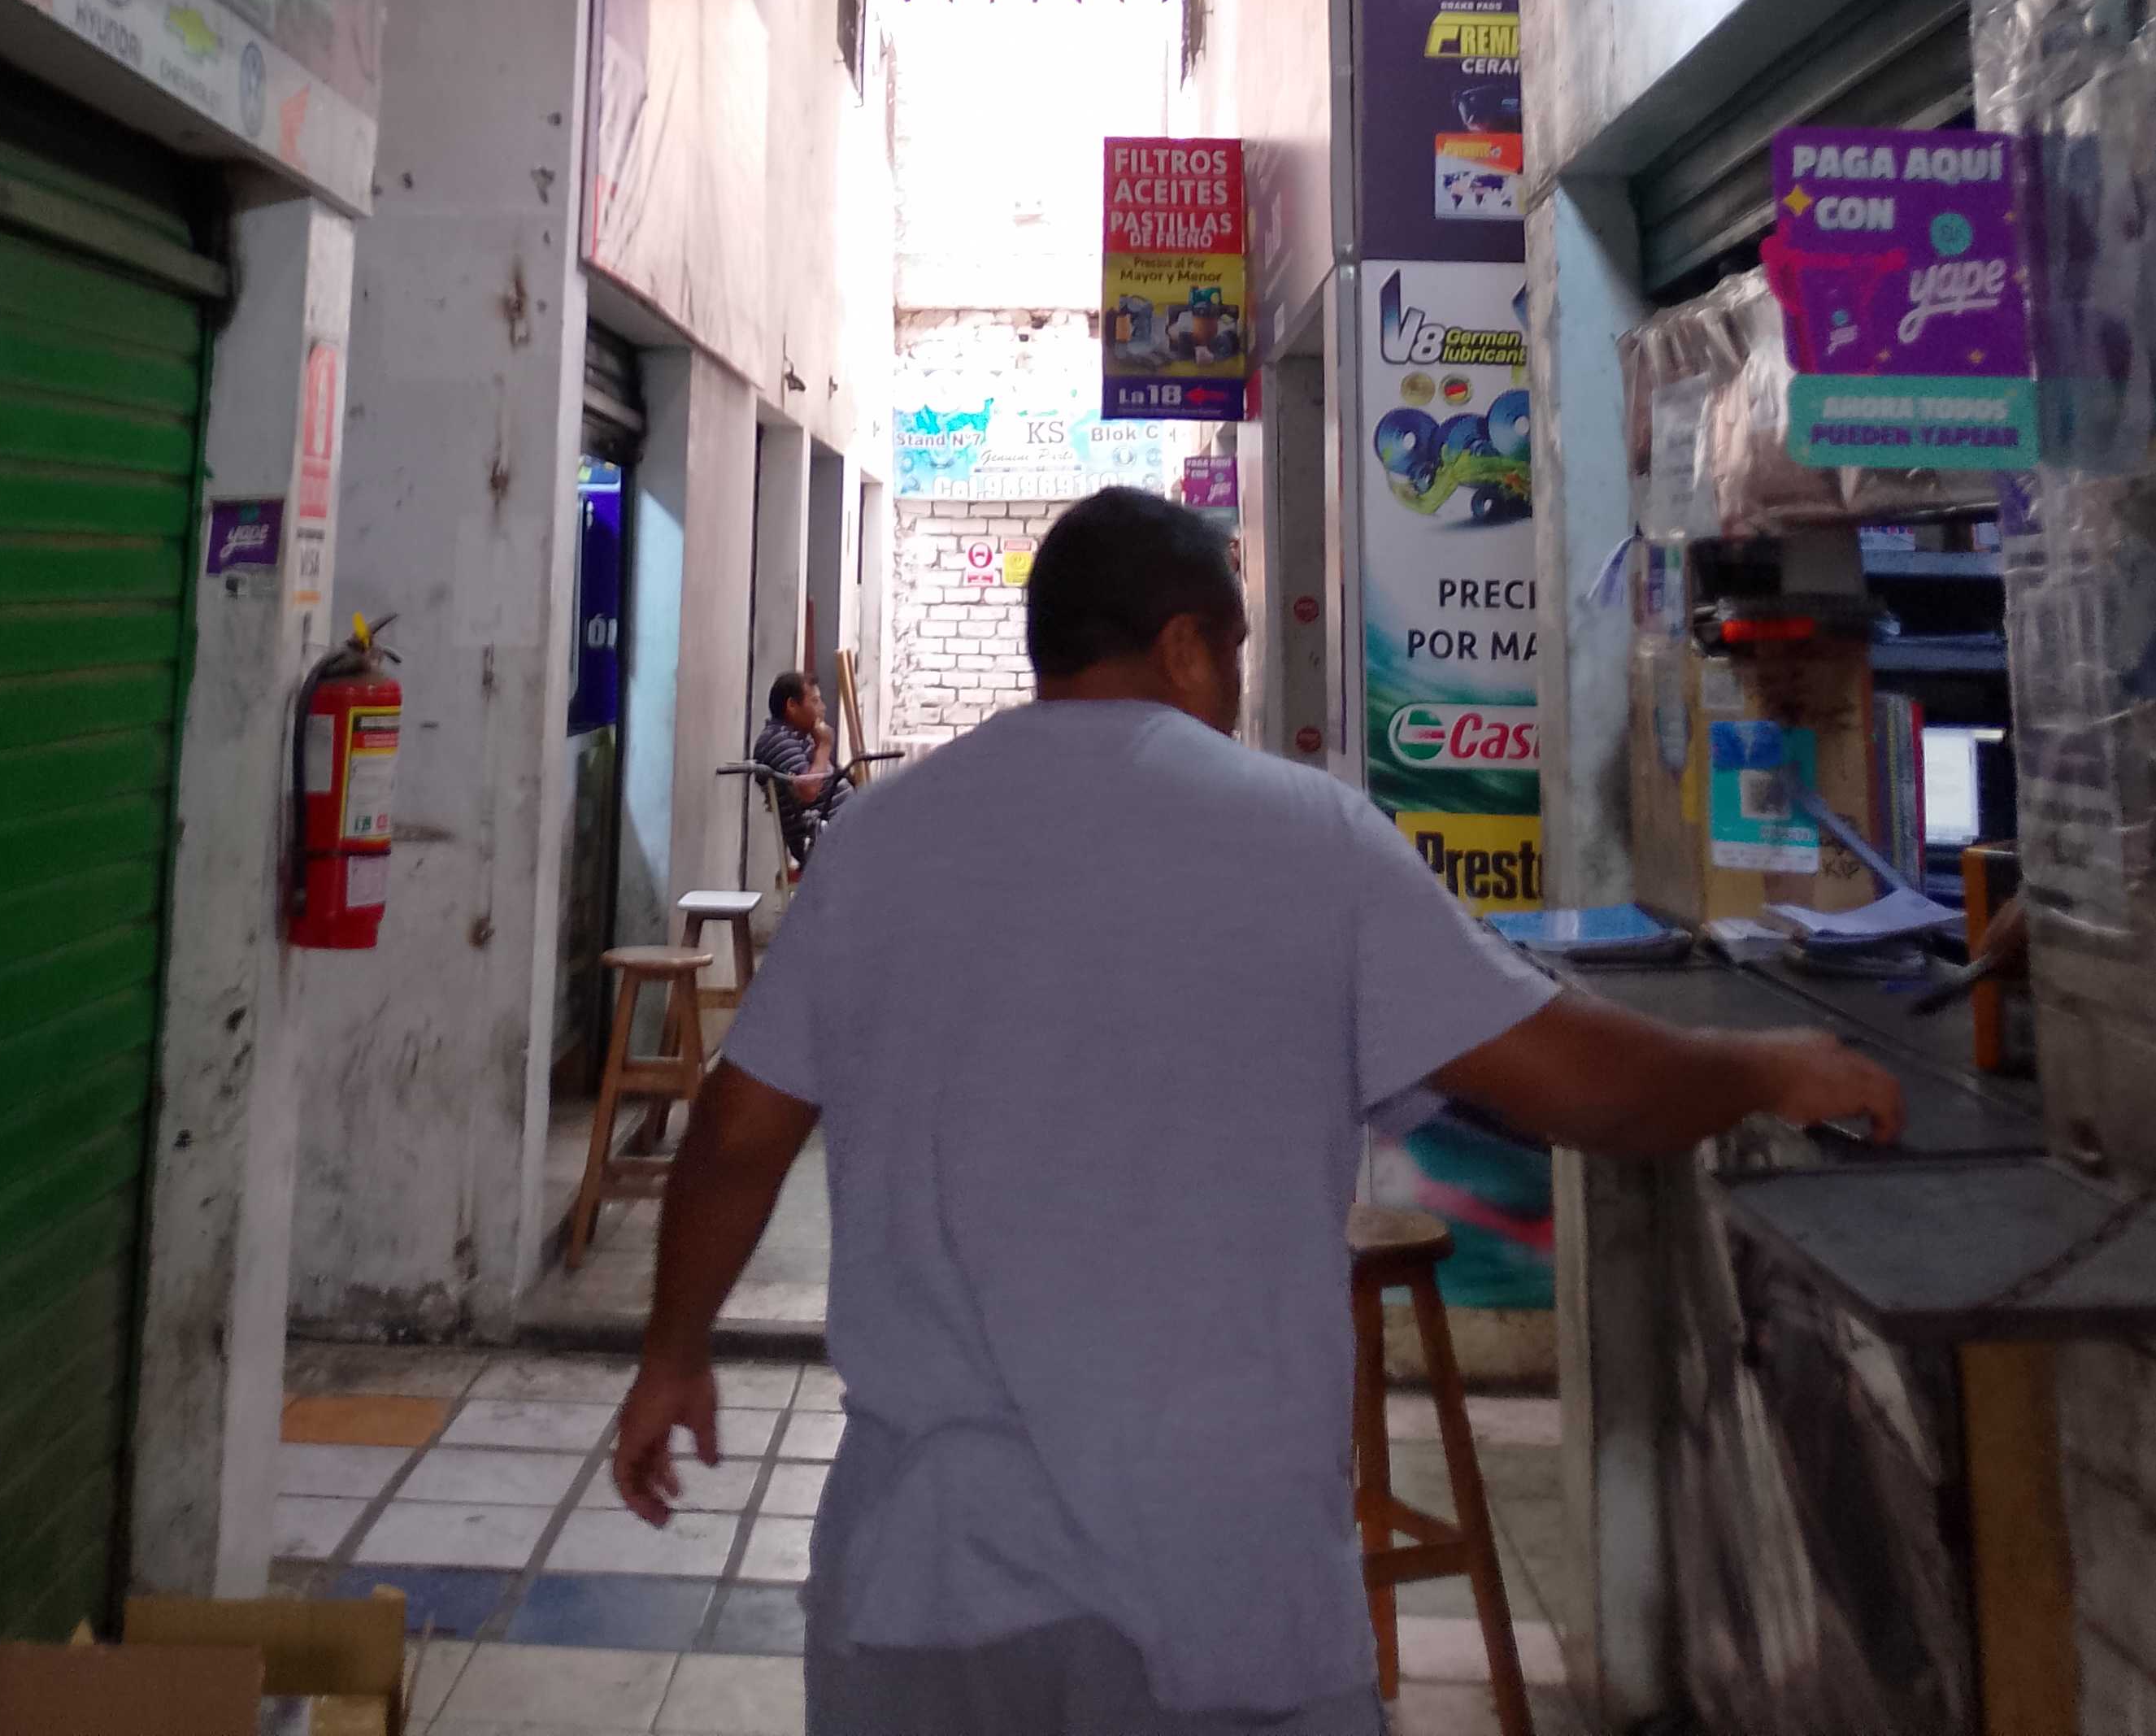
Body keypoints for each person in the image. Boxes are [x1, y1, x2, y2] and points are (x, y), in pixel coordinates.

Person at [618, 485, 1904, 1735]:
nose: (1235, 689)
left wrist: (673, 1356)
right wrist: (1764, 1070)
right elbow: (1585, 1088)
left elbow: (738, 1135)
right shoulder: (1310, 838)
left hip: (924, 1578)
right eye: (1233, 652)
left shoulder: (882, 842)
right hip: (1222, 1582)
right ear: (1186, 646)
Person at [754, 668, 850, 868]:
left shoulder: (799, 737)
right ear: (792, 705)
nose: (822, 708)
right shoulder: (778, 739)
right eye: (815, 701)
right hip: (825, 840)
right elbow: (809, 790)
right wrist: (824, 746)